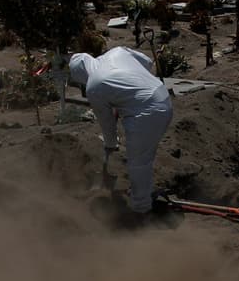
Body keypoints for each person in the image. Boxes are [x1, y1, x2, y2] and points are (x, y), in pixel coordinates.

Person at [69, 47, 173, 220]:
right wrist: (126, 90)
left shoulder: (94, 86)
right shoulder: (117, 51)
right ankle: (143, 192)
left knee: (138, 162)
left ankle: (141, 209)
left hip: (146, 112)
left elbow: (107, 123)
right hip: (162, 96)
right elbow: (147, 62)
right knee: (145, 155)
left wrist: (110, 144)